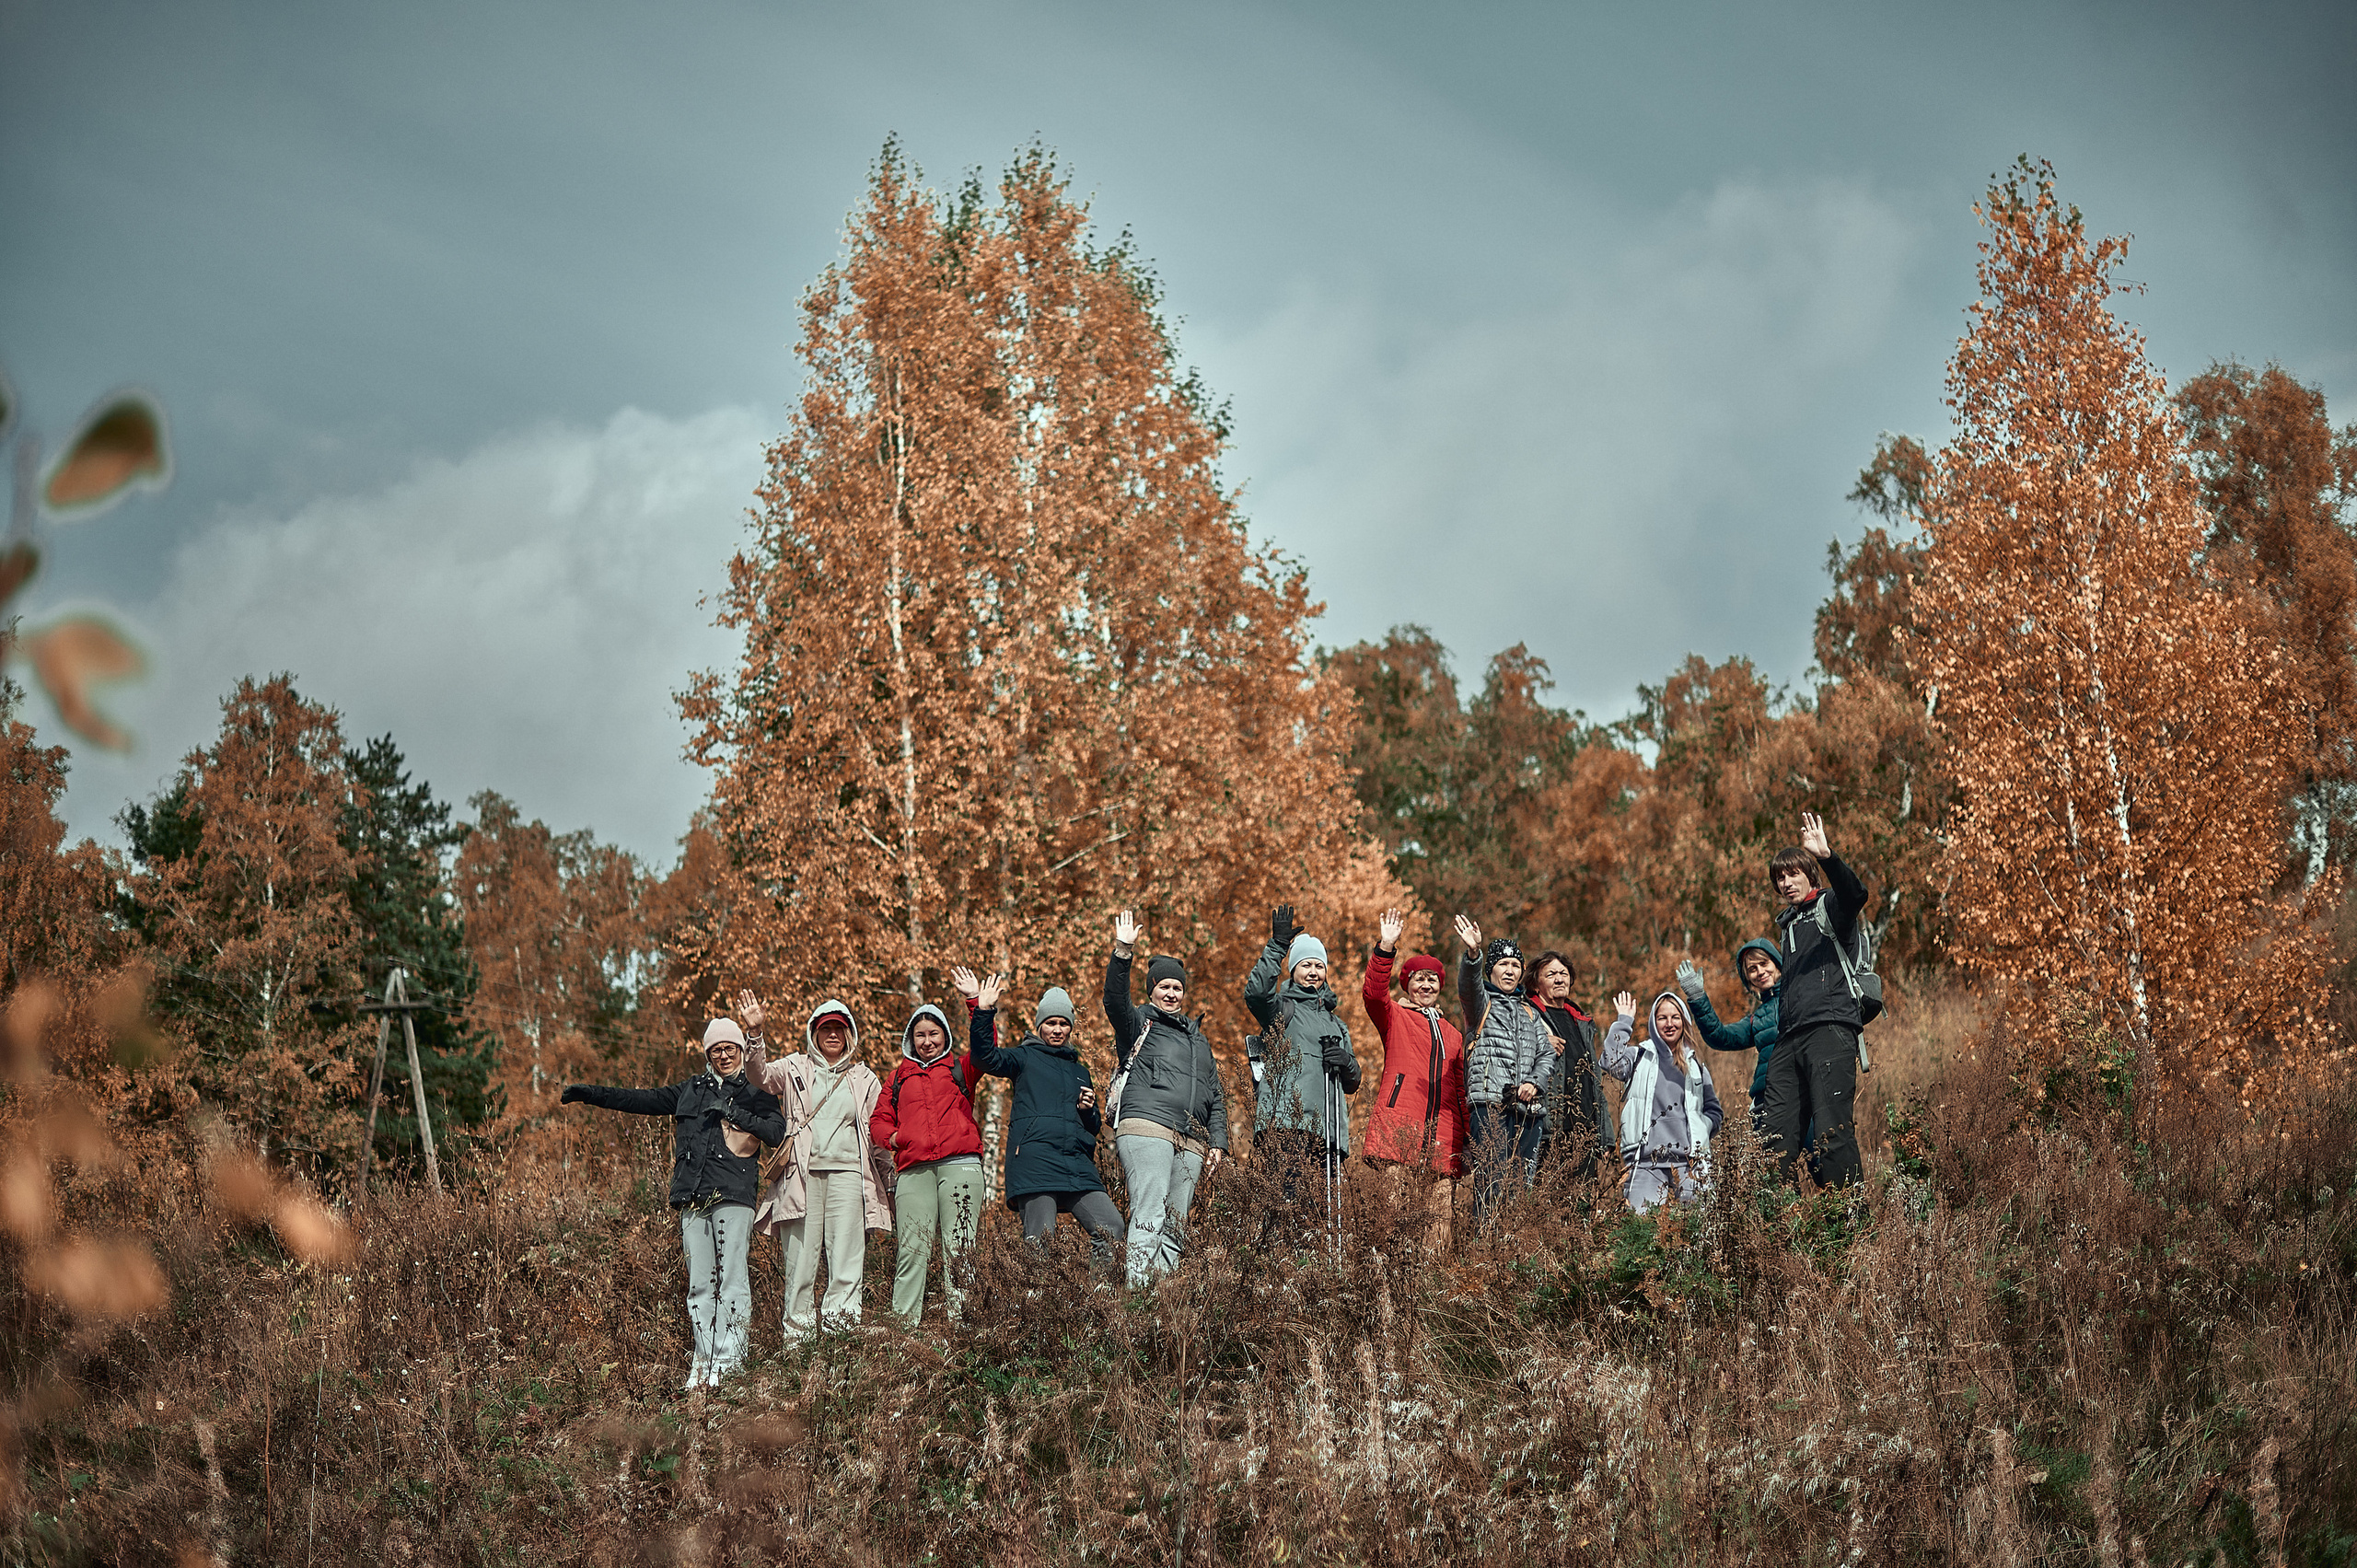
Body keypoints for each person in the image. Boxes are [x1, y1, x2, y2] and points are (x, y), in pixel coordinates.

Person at [559, 1018, 785, 1388]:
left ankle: (731, 1361)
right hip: (692, 1197)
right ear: (707, 1054)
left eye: (730, 1048)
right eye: (716, 1049)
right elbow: (639, 1099)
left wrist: (731, 1111)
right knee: (699, 1284)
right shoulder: (689, 1089)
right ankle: (704, 1362)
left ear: (741, 1051)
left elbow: (776, 1132)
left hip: (733, 1195)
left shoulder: (757, 1088)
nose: (724, 1055)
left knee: (731, 1280)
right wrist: (590, 1094)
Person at [740, 993, 893, 1335]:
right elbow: (758, 1076)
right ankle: (799, 1340)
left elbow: (876, 1129)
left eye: (840, 1028)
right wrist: (755, 1034)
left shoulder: (864, 1078)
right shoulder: (794, 1067)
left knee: (846, 1262)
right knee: (801, 1262)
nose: (833, 1034)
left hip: (850, 1177)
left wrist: (889, 1178)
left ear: (850, 1034)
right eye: (826, 1028)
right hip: (801, 1178)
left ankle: (842, 1336)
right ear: (814, 1033)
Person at [1102, 909, 1229, 1287]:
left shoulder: (1198, 1039)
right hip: (1146, 1127)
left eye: (1178, 988)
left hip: (1191, 1140)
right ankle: (1138, 1299)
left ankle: (1159, 1305)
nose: (1172, 993)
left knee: (1176, 1225)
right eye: (1164, 987)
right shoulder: (1139, 1021)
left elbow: (1216, 1096)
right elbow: (1113, 999)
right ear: (1152, 990)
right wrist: (1123, 950)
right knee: (1149, 1212)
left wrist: (1218, 1143)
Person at [964, 976, 1125, 1264]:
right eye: (1051, 1023)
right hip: (1035, 1162)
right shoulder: (1024, 1057)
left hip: (1076, 1165)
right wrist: (983, 1010)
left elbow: (1093, 1126)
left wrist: (1088, 1110)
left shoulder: (1080, 1072)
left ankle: (1101, 1302)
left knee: (1111, 1226)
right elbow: (984, 1058)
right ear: (1040, 1025)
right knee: (1041, 1245)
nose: (1058, 1030)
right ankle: (1035, 1306)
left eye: (1064, 1024)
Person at [1761, 812, 1872, 1190]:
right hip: (1788, 1039)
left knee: (1832, 1136)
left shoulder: (1830, 908)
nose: (1786, 882)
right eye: (1780, 877)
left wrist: (1827, 856)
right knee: (1773, 1139)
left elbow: (1856, 895)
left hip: (1829, 1029)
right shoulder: (1788, 924)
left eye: (1793, 873)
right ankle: (1770, 1231)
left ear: (1810, 874)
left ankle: (1852, 1229)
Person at [1244, 903, 1362, 1254]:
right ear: (1293, 970)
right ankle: (1275, 1276)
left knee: (1318, 1216)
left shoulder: (1337, 1024)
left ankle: (1310, 1283)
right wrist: (1277, 947)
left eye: (1319, 966)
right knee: (1285, 1207)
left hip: (1328, 1131)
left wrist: (1345, 1061)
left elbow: (1353, 1080)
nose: (1313, 972)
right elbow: (1255, 993)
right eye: (1306, 965)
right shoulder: (1282, 1009)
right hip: (1287, 1125)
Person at [871, 989, 988, 1329]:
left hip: (960, 1166)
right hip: (914, 1172)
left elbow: (985, 1046)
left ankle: (964, 1330)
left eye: (933, 1034)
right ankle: (904, 1332)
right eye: (920, 1035)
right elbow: (878, 1120)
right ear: (911, 1038)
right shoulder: (897, 1077)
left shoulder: (960, 1068)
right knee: (912, 1250)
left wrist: (976, 1005)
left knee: (961, 1249)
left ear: (945, 1036)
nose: (927, 1041)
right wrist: (893, 1138)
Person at [1360, 906, 1468, 1241]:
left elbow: (1461, 1091)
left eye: (1432, 978)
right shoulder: (1395, 1017)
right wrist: (1386, 947)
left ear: (1440, 986)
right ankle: (1388, 1287)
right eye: (1419, 978)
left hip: (1444, 1139)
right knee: (1395, 1222)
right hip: (1399, 1131)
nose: (1426, 983)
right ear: (1407, 985)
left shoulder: (1453, 1034)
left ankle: (1430, 1291)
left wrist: (1468, 1139)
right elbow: (1373, 994)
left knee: (1440, 1228)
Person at [1454, 915, 1556, 1219]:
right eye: (1503, 964)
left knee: (1522, 1186)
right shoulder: (1481, 1005)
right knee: (1490, 1182)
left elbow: (1546, 1054)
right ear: (1491, 970)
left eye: (1515, 965)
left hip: (1527, 1108)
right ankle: (1483, 1253)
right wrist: (1474, 955)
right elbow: (1468, 986)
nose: (1510, 970)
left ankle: (1513, 1254)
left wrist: (1535, 1083)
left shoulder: (1530, 1012)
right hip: (1489, 1105)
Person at [1597, 990, 1724, 1213]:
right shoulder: (1638, 1056)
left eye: (1675, 1017)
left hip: (1691, 1163)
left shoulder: (1696, 1064)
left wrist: (1704, 1127)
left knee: (1698, 1231)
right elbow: (1610, 1061)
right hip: (1646, 1162)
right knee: (1641, 1231)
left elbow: (1714, 1110)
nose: (1669, 1024)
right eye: (1662, 1018)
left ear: (1684, 1021)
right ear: (1653, 1022)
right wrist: (1624, 1021)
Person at [1676, 939, 1804, 1160]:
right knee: (1776, 1178)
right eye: (1752, 969)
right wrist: (1697, 998)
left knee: (1822, 1167)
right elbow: (1720, 1037)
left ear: (1778, 964)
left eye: (1764, 964)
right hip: (1769, 1101)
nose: (1760, 972)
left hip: (1806, 1094)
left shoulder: (1802, 999)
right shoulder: (1757, 1019)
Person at [1527, 950, 1608, 1180]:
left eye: (1564, 973)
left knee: (1580, 1207)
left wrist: (1605, 1135)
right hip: (1548, 1132)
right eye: (1551, 974)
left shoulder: (1581, 1021)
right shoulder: (1527, 1015)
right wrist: (1538, 1041)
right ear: (1535, 983)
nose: (1560, 979)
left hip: (1584, 1131)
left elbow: (1596, 1081)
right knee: (1546, 1207)